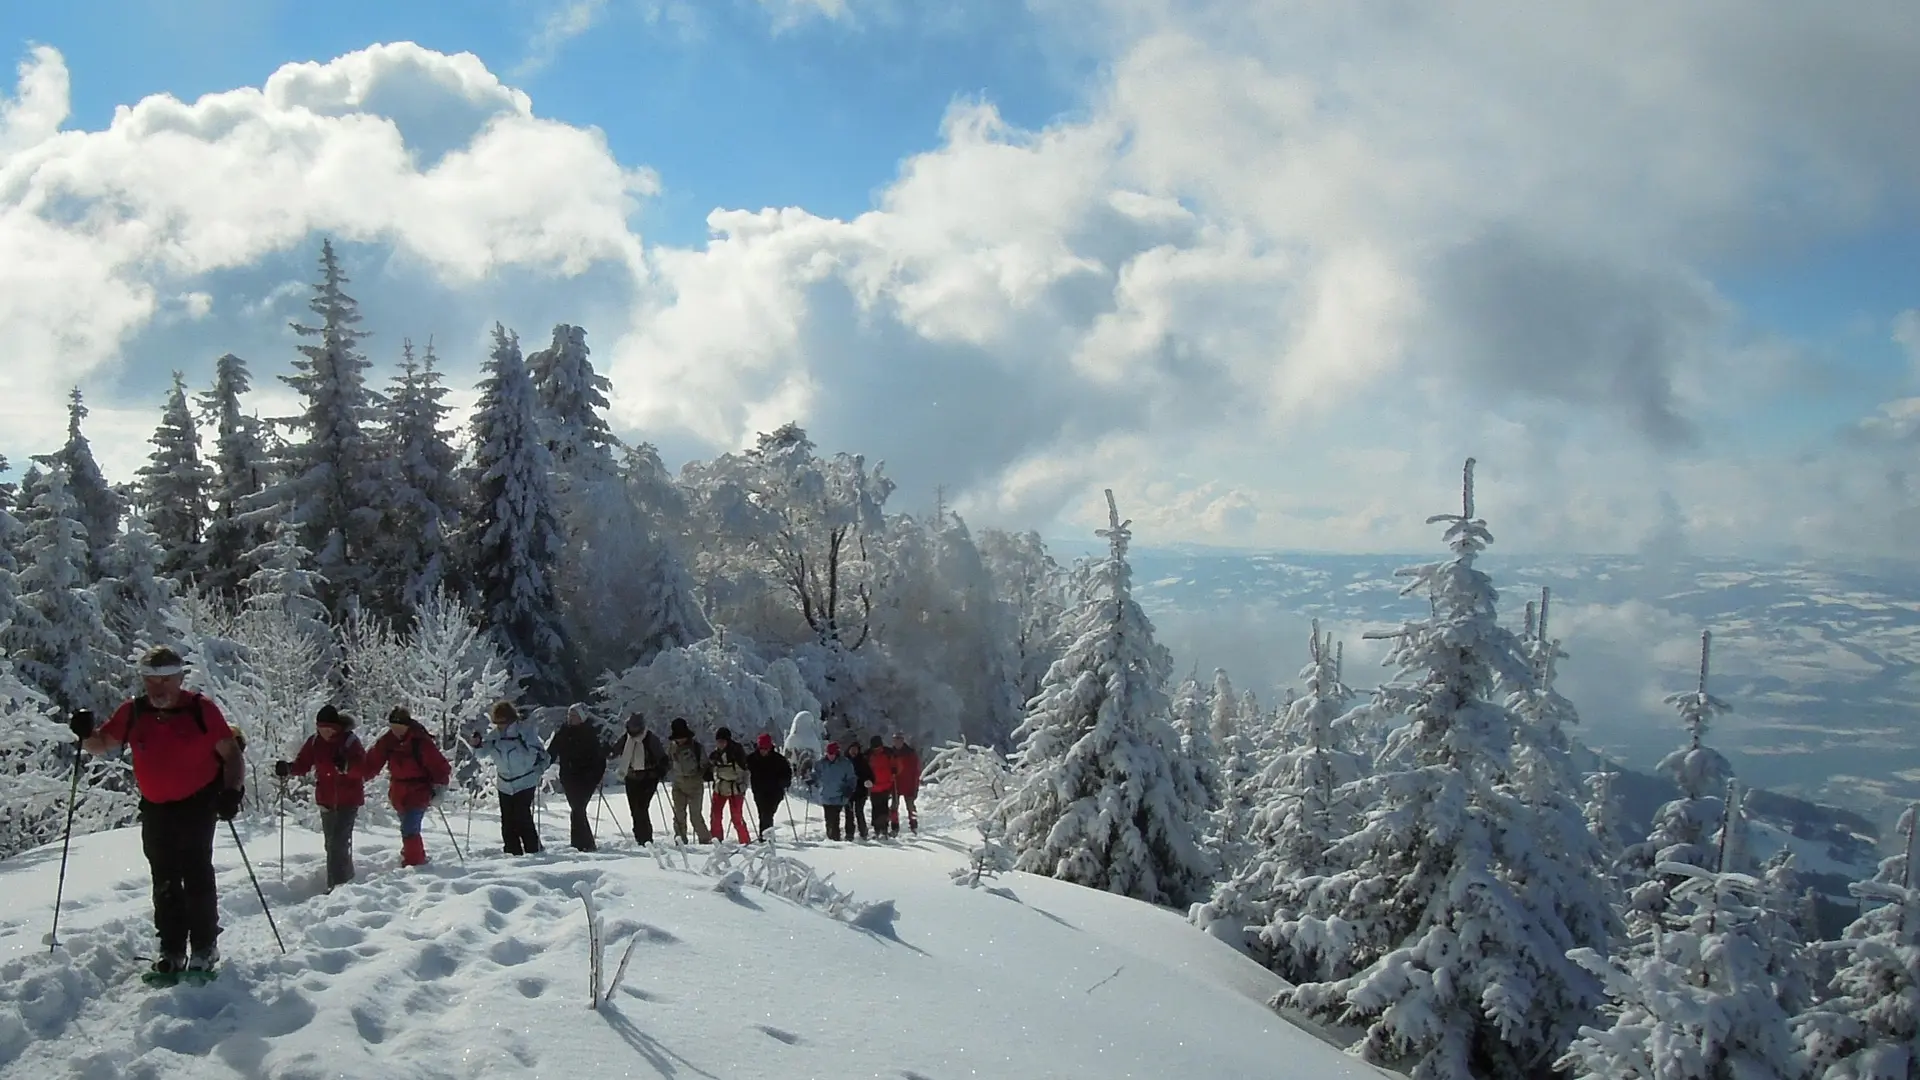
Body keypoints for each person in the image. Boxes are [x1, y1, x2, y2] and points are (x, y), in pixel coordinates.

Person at [72, 646, 245, 976]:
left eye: (166, 679)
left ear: (180, 678)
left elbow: (232, 754)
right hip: (155, 807)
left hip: (198, 802)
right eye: (151, 679)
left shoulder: (200, 710)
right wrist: (83, 734)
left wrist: (232, 792)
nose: (158, 686)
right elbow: (101, 746)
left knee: (195, 872)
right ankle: (172, 947)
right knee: (164, 877)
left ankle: (205, 946)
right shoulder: (133, 712)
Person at [275, 705, 367, 889]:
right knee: (331, 844)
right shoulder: (315, 742)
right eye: (320, 728)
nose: (324, 732)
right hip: (326, 799)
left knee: (338, 844)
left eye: (328, 728)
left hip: (348, 800)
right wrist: (289, 768)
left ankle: (337, 887)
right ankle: (345, 880)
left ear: (336, 727)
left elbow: (363, 768)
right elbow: (303, 764)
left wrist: (346, 766)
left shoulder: (349, 742)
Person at [361, 707, 453, 867]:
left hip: (419, 790)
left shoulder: (420, 742)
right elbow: (372, 762)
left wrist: (440, 788)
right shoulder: (387, 741)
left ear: (407, 726)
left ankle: (414, 862)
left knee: (410, 827)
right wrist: (356, 776)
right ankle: (414, 855)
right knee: (407, 826)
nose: (396, 731)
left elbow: (440, 766)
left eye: (399, 728)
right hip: (398, 791)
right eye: (393, 727)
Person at [471, 701, 548, 855]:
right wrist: (476, 745)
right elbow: (481, 754)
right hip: (504, 783)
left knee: (522, 815)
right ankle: (512, 851)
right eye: (497, 722)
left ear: (510, 719)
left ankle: (533, 849)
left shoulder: (525, 732)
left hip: (525, 781)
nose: (500, 726)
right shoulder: (494, 736)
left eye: (502, 722)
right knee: (507, 820)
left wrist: (538, 769)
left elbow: (541, 754)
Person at [547, 705, 607, 852]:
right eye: (569, 715)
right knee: (576, 809)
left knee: (578, 808)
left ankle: (583, 843)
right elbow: (552, 752)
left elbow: (600, 757)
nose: (571, 718)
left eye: (574, 715)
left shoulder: (591, 733)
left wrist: (596, 776)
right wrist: (541, 764)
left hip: (588, 778)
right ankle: (582, 842)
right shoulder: (563, 732)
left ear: (582, 717)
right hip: (568, 776)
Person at [611, 715, 667, 844]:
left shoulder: (650, 739)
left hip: (649, 778)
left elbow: (661, 756)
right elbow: (615, 751)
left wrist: (661, 769)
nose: (633, 729)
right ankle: (639, 836)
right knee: (634, 809)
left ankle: (646, 838)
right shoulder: (626, 738)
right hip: (631, 777)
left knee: (641, 808)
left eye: (635, 726)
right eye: (630, 726)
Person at [664, 718, 710, 844]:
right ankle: (680, 841)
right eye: (677, 737)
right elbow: (668, 762)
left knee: (695, 816)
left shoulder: (697, 747)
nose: (679, 740)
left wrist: (706, 773)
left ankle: (705, 841)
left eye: (682, 737)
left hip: (694, 785)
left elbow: (705, 764)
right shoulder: (672, 747)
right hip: (678, 784)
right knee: (679, 815)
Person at [706, 727, 752, 845]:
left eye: (722, 741)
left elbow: (745, 771)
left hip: (735, 789)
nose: (720, 744)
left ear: (728, 741)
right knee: (715, 815)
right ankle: (716, 841)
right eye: (718, 741)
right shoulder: (715, 754)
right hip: (720, 787)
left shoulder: (737, 753)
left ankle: (744, 841)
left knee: (736, 817)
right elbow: (712, 768)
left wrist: (743, 787)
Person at [745, 733, 793, 841]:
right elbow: (742, 766)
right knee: (763, 813)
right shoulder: (752, 758)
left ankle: (765, 838)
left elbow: (788, 773)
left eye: (765, 748)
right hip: (759, 791)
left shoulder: (779, 760)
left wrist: (784, 781)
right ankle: (766, 837)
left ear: (770, 747)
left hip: (775, 792)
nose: (763, 751)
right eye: (761, 748)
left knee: (767, 813)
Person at [814, 742, 857, 841]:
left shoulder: (845, 763)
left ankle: (835, 839)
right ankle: (831, 838)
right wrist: (811, 779)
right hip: (826, 796)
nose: (830, 756)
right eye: (829, 753)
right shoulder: (821, 763)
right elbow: (816, 774)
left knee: (834, 820)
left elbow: (851, 778)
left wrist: (849, 789)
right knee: (828, 820)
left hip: (839, 796)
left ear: (837, 753)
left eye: (832, 754)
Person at [889, 732, 923, 835]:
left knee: (911, 806)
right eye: (895, 740)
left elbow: (916, 771)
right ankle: (894, 826)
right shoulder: (890, 753)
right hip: (895, 784)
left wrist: (916, 785)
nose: (897, 742)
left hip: (908, 784)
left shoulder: (910, 754)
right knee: (894, 806)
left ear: (902, 741)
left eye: (899, 740)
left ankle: (914, 825)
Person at [867, 734, 896, 838]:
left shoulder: (888, 753)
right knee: (875, 808)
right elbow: (865, 769)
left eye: (878, 747)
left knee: (883, 807)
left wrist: (893, 773)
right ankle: (876, 829)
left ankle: (884, 829)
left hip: (885, 785)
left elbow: (894, 765)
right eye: (875, 748)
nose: (877, 749)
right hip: (874, 786)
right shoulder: (868, 755)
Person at [846, 740, 872, 840]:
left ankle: (863, 831)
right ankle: (849, 833)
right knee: (849, 813)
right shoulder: (844, 761)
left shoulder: (863, 761)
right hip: (848, 791)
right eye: (852, 749)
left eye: (855, 750)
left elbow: (870, 775)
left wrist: (869, 781)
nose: (853, 752)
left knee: (859, 812)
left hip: (861, 791)